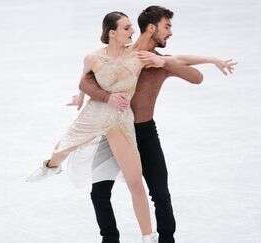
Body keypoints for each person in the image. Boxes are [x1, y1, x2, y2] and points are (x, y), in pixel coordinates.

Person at [72, 6, 237, 243]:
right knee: (99, 193)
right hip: (115, 132)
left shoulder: (162, 62)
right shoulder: (123, 55)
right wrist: (95, 97)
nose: (170, 32)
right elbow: (87, 79)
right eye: (166, 26)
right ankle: (110, 239)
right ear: (151, 27)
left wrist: (166, 63)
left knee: (160, 193)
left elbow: (196, 77)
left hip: (145, 132)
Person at [27, 11, 180, 243]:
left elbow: (181, 60)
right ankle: (50, 166)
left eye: (131, 27)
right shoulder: (93, 57)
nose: (132, 32)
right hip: (96, 113)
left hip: (119, 121)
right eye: (127, 28)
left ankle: (148, 237)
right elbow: (84, 78)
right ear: (112, 33)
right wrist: (80, 98)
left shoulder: (137, 55)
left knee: (135, 181)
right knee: (63, 148)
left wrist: (212, 60)